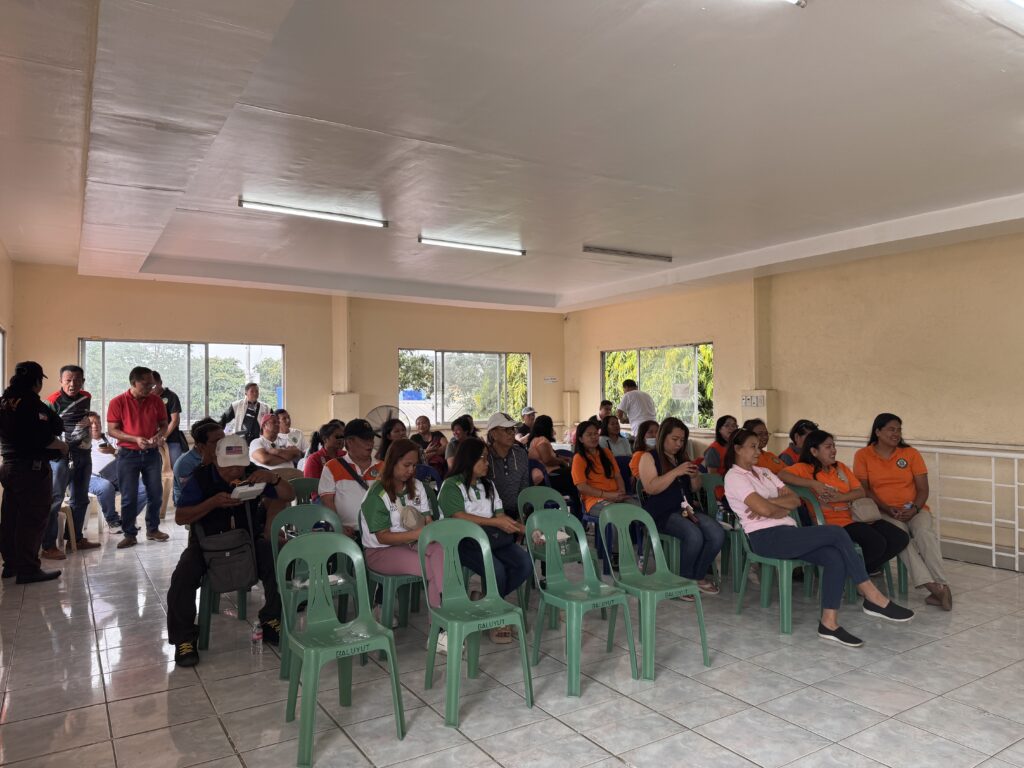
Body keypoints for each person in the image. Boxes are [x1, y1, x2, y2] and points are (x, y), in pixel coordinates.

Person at [724, 428, 914, 647]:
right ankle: (872, 596)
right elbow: (765, 510)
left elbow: (794, 500)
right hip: (766, 538)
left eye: (759, 446)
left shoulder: (765, 472)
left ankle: (829, 623)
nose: (759, 451)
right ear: (738, 449)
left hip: (789, 532)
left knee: (834, 556)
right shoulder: (734, 477)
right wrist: (771, 506)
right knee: (836, 532)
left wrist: (769, 504)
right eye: (753, 447)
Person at [166, 434, 295, 667]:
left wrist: (273, 478)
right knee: (182, 576)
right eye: (228, 466)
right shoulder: (201, 478)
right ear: (216, 460)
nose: (235, 471)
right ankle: (184, 639)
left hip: (248, 540)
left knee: (277, 558)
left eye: (239, 465)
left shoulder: (253, 473)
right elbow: (180, 517)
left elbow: (289, 495)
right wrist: (212, 503)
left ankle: (270, 619)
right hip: (206, 544)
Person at [854, 414, 952, 610]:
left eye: (899, 430)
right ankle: (933, 588)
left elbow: (923, 489)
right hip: (884, 511)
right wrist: (886, 508)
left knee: (925, 533)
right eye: (891, 429)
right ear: (878, 431)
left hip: (914, 509)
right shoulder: (863, 455)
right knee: (901, 539)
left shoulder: (910, 454)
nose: (896, 434)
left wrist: (914, 508)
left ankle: (942, 584)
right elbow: (864, 489)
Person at [437, 437, 530, 644]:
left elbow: (500, 516)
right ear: (469, 459)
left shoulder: (488, 485)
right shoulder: (451, 486)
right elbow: (459, 517)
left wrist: (526, 529)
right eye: (483, 458)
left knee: (524, 564)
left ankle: (487, 602)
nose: (487, 463)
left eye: (487, 458)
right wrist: (496, 522)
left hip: (492, 540)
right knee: (496, 570)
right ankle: (495, 617)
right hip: (462, 543)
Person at [780, 430, 909, 576]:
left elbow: (860, 491)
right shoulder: (804, 468)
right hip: (831, 523)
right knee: (876, 542)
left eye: (834, 446)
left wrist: (840, 497)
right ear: (814, 451)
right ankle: (853, 574)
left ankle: (857, 571)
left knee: (900, 538)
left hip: (856, 516)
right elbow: (782, 475)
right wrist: (813, 484)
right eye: (828, 447)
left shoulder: (840, 468)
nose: (834, 450)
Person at [360, 438, 447, 650]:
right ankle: (439, 631)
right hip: (381, 551)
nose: (411, 470)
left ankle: (444, 617)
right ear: (392, 462)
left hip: (412, 542)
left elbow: (427, 520)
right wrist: (418, 534)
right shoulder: (377, 494)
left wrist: (429, 532)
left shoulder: (418, 487)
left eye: (414, 465)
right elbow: (382, 537)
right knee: (432, 569)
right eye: (406, 465)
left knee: (440, 550)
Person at [638, 417, 722, 593]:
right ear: (663, 437)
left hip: (686, 510)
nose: (679, 444)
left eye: (682, 440)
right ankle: (682, 582)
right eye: (675, 439)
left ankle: (697, 576)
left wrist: (694, 476)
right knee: (694, 535)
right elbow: (651, 488)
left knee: (717, 533)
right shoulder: (649, 457)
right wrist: (676, 471)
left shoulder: (681, 457)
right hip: (662, 512)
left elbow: (694, 488)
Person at [0, 361, 66, 583]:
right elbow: (44, 436)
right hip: (31, 469)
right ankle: (28, 569)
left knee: (11, 517)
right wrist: (61, 446)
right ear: (37, 381)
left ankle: (10, 565)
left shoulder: (5, 401)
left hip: (9, 466)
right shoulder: (31, 403)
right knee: (32, 518)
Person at [106, 366, 170, 548]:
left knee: (156, 494)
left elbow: (164, 424)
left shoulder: (156, 401)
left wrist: (158, 436)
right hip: (127, 455)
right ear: (134, 382)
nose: (151, 387)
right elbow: (112, 430)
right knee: (129, 497)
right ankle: (129, 534)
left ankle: (153, 530)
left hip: (151, 454)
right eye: (146, 384)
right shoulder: (117, 402)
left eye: (152, 384)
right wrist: (135, 439)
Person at [43, 364, 99, 559]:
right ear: (61, 381)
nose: (72, 384)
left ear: (83, 381)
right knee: (55, 500)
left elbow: (88, 416)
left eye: (77, 380)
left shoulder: (87, 396)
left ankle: (75, 539)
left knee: (80, 499)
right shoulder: (52, 402)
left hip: (84, 454)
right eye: (68, 380)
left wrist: (94, 418)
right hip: (61, 457)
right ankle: (48, 546)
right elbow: (45, 432)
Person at [88, 412, 151, 533]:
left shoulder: (111, 438)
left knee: (146, 486)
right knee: (105, 486)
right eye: (91, 423)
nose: (95, 426)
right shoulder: (83, 442)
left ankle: (127, 518)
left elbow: (126, 455)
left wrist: (113, 451)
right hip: (94, 478)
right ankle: (113, 521)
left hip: (117, 475)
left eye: (97, 422)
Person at [318, 419, 382, 534]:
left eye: (371, 438)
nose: (370, 443)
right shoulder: (332, 467)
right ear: (350, 441)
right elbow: (327, 502)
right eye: (365, 439)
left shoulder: (383, 467)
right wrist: (338, 527)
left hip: (380, 532)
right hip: (349, 533)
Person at [485, 412, 535, 516]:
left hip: (518, 513)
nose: (512, 433)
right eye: (506, 430)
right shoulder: (485, 457)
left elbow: (524, 488)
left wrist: (523, 515)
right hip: (491, 515)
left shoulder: (520, 454)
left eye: (513, 429)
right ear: (493, 434)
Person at [528, 414, 579, 512]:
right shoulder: (542, 440)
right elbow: (547, 460)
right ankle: (577, 512)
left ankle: (576, 509)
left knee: (575, 477)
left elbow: (553, 455)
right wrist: (562, 462)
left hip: (546, 477)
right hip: (549, 478)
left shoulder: (535, 440)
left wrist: (564, 459)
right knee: (576, 478)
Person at [172, 418, 223, 505]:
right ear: (201, 445)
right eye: (217, 441)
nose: (223, 444)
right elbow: (193, 494)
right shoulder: (184, 463)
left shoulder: (220, 455)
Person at [248, 413, 303, 480]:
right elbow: (265, 459)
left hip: (292, 476)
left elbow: (297, 453)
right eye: (274, 422)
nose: (278, 424)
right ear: (264, 425)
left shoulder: (286, 440)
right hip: (270, 479)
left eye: (278, 422)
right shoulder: (256, 442)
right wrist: (287, 457)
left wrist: (277, 452)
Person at [151, 371, 189, 469]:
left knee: (176, 468)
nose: (151, 389)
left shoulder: (171, 396)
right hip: (153, 440)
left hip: (171, 438)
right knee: (156, 469)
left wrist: (163, 437)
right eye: (149, 386)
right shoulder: (147, 397)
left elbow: (175, 420)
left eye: (153, 386)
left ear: (160, 383)